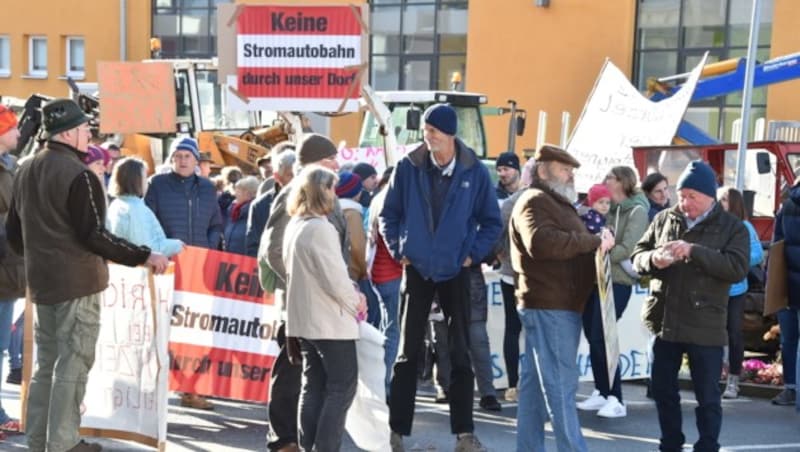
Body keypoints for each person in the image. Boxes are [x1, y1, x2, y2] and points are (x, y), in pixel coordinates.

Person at [6, 98, 169, 452]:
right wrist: (144, 255)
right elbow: (94, 235)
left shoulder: (25, 168)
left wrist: (42, 256)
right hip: (77, 283)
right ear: (68, 134)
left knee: (45, 367)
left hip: (43, 283)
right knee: (73, 364)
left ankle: (39, 441)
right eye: (84, 129)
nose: (89, 135)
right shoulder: (79, 174)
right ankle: (63, 442)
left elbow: (14, 235)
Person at [379, 103, 501, 452]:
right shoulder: (408, 166)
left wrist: (471, 255)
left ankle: (464, 434)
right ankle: (396, 432)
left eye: (433, 130)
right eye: (426, 130)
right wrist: (398, 246)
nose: (427, 135)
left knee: (459, 351)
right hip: (416, 268)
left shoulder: (474, 171)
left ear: (450, 135)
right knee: (407, 353)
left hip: (455, 271)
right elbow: (389, 214)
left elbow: (492, 221)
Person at [631, 160, 749, 452]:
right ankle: (670, 442)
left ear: (710, 196)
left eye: (692, 196)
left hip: (705, 323)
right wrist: (653, 260)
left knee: (708, 396)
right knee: (662, 390)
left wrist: (695, 251)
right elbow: (638, 255)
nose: (684, 203)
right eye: (681, 195)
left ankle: (707, 445)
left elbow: (736, 267)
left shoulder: (732, 227)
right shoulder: (664, 218)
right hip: (665, 320)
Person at [509, 145, 614, 451]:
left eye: (571, 171)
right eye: (564, 169)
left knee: (535, 391)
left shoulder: (552, 201)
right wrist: (592, 241)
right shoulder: (536, 201)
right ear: (543, 170)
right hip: (550, 305)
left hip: (554, 305)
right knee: (560, 387)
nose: (571, 175)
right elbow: (541, 243)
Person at [259, 133, 349, 452]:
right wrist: (304, 279)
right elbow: (273, 249)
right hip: (298, 300)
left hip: (319, 300)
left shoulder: (321, 190)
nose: (336, 165)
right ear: (315, 163)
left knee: (310, 377)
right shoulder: (294, 194)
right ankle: (282, 438)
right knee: (291, 369)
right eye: (330, 160)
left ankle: (298, 439)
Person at [282, 165, 366, 451]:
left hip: (305, 321)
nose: (335, 193)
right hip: (328, 321)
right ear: (319, 191)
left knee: (313, 385)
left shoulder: (296, 224)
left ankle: (310, 447)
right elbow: (336, 280)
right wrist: (357, 301)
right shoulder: (320, 228)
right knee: (341, 387)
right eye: (331, 187)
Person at [145, 136, 223, 409]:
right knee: (164, 327)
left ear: (196, 160)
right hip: (167, 266)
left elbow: (216, 224)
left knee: (196, 329)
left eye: (187, 156)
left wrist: (208, 246)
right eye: (177, 155)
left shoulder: (207, 187)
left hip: (199, 267)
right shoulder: (158, 184)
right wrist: (161, 250)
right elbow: (149, 222)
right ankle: (157, 387)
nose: (182, 160)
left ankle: (192, 389)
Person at [577, 166, 649, 419]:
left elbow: (628, 247)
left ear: (622, 182)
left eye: (610, 178)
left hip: (617, 282)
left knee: (603, 335)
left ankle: (616, 397)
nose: (605, 181)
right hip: (598, 278)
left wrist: (599, 249)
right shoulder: (610, 209)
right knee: (593, 332)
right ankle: (602, 390)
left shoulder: (638, 212)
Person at [716, 186, 763, 399]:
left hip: (735, 289)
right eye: (719, 199)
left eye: (724, 199)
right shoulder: (712, 225)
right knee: (713, 334)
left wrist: (732, 259)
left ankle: (733, 381)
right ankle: (714, 377)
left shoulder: (744, 226)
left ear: (734, 202)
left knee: (734, 333)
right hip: (713, 287)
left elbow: (757, 254)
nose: (720, 203)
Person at [496, 157, 535, 402]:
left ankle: (514, 385)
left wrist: (502, 256)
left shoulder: (512, 201)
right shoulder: (515, 202)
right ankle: (519, 384)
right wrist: (503, 256)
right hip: (522, 275)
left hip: (513, 273)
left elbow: (495, 232)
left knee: (514, 329)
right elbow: (496, 231)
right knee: (527, 330)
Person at [366, 167, 403, 394]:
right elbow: (394, 244)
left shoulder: (378, 199)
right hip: (391, 273)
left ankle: (379, 379)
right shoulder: (391, 201)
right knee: (392, 331)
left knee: (385, 329)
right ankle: (384, 383)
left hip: (379, 272)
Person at [0, 105, 25, 440]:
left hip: (7, 271)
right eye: (13, 128)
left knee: (2, 345)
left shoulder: (11, 166)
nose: (18, 133)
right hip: (4, 263)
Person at [106, 157, 184, 258]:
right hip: (137, 271)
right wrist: (176, 245)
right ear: (136, 180)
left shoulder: (116, 204)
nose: (147, 182)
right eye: (144, 177)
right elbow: (144, 249)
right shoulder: (135, 209)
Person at [337, 172, 382, 327]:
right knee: (370, 315)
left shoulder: (334, 210)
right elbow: (357, 246)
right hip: (353, 273)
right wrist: (364, 270)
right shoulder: (353, 213)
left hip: (340, 271)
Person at [772, 178, 800, 407]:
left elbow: (776, 244)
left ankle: (790, 388)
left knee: (789, 338)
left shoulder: (787, 205)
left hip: (787, 282)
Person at [247, 148, 296, 257]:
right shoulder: (260, 205)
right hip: (272, 269)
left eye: (298, 174)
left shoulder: (310, 198)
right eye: (290, 175)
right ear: (277, 177)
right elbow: (254, 246)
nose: (295, 180)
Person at [223, 176, 259, 256]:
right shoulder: (233, 211)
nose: (235, 194)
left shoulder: (255, 211)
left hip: (247, 262)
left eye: (239, 191)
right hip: (230, 258)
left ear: (249, 193)